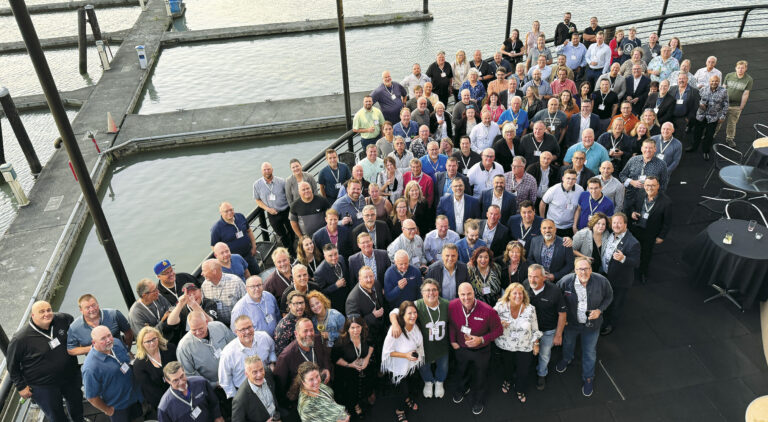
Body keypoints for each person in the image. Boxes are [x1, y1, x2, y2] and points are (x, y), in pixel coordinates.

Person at [8, 301, 83, 422]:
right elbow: (12, 366)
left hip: (70, 376)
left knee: (77, 403)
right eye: (41, 312)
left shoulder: (63, 319)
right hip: (44, 385)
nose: (47, 314)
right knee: (56, 415)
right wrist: (21, 386)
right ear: (33, 315)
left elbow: (75, 329)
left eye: (49, 310)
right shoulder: (20, 339)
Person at [555, 257, 613, 397]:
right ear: (575, 270)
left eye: (586, 268)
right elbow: (557, 297)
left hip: (592, 325)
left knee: (589, 352)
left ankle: (588, 378)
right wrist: (562, 315)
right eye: (580, 269)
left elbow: (609, 297)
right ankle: (567, 358)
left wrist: (599, 310)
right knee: (568, 343)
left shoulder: (601, 281)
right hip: (571, 323)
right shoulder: (566, 281)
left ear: (591, 269)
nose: (583, 272)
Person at [448, 283, 503, 415]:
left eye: (469, 294)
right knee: (462, 371)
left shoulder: (488, 311)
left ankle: (479, 400)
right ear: (458, 295)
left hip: (481, 351)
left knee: (480, 377)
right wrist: (452, 340)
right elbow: (452, 324)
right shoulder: (452, 306)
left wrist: (482, 339)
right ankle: (463, 388)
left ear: (474, 293)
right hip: (461, 348)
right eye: (462, 294)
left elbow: (499, 330)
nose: (466, 298)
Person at [82, 326, 143, 421]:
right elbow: (92, 397)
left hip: (135, 398)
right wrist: (108, 410)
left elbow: (127, 359)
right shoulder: (90, 367)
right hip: (118, 408)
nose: (108, 340)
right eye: (103, 338)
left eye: (109, 335)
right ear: (94, 343)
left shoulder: (117, 342)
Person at [494, 283, 541, 403]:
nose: (518, 296)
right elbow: (490, 322)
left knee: (523, 370)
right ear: (508, 295)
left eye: (520, 293)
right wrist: (499, 323)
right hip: (505, 345)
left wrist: (536, 344)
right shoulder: (500, 307)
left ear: (524, 295)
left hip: (525, 346)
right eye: (514, 293)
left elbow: (535, 329)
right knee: (507, 367)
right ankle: (507, 380)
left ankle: (520, 389)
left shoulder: (530, 309)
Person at [522, 265, 567, 391]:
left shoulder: (555, 291)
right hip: (529, 330)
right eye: (530, 276)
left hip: (548, 330)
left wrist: (558, 335)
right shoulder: (525, 285)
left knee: (544, 354)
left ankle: (542, 374)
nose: (532, 280)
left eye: (536, 277)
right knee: (527, 352)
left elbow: (562, 314)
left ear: (544, 278)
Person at [600, 213, 641, 335]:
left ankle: (611, 325)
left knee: (615, 304)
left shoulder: (633, 242)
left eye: (619, 223)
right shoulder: (609, 234)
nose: (616, 225)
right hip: (606, 274)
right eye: (614, 223)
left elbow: (636, 263)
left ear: (625, 224)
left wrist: (623, 258)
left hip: (620, 281)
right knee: (605, 300)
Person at [219, 315, 277, 399]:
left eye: (249, 327)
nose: (247, 332)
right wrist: (237, 398)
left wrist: (272, 362)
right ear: (236, 332)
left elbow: (272, 349)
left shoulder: (264, 337)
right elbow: (225, 381)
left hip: (267, 384)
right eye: (242, 329)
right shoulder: (228, 353)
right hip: (246, 393)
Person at [628, 176, 671, 284]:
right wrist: (632, 212)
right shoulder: (640, 193)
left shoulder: (666, 202)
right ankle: (631, 269)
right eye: (647, 185)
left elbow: (667, 222)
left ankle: (643, 272)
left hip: (650, 233)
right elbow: (632, 206)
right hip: (636, 229)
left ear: (658, 186)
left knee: (646, 254)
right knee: (632, 250)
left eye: (653, 185)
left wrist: (661, 236)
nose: (650, 188)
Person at [275, 318, 334, 397]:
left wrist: (326, 368)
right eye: (305, 331)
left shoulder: (318, 340)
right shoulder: (285, 357)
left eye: (311, 330)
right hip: (303, 398)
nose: (309, 334)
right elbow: (280, 388)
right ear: (296, 334)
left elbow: (325, 356)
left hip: (323, 391)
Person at [332, 317, 376, 419]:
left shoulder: (366, 336)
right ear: (347, 329)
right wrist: (350, 365)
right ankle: (355, 405)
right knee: (352, 391)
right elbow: (335, 359)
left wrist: (367, 358)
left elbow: (372, 345)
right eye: (352, 328)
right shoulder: (341, 342)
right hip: (348, 372)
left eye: (358, 327)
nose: (356, 330)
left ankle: (367, 395)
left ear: (362, 327)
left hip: (365, 369)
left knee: (367, 385)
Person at [176, 311, 236, 385]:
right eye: (194, 330)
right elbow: (189, 374)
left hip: (234, 375)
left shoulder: (219, 327)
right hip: (212, 387)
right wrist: (213, 384)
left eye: (200, 328)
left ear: (206, 322)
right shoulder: (183, 347)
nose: (198, 332)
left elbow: (235, 346)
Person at [67, 294, 134, 356]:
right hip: (97, 362)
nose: (92, 309)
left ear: (98, 304)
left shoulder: (114, 314)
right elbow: (71, 349)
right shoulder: (74, 327)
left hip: (121, 355)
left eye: (94, 305)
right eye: (87, 308)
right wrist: (92, 348)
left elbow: (128, 332)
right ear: (81, 310)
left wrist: (127, 350)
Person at [158, 361, 224, 422]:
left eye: (182, 376)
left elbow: (213, 403)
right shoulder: (164, 407)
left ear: (184, 371)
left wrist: (218, 417)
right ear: (168, 381)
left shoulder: (201, 382)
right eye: (175, 380)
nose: (181, 382)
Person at [133, 327, 176, 419]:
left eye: (154, 339)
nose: (152, 343)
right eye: (148, 341)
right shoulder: (139, 365)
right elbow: (150, 392)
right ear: (142, 344)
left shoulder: (170, 349)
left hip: (180, 391)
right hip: (162, 402)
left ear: (158, 338)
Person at [212, 201, 261, 276]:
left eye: (231, 210)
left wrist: (254, 246)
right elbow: (214, 247)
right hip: (234, 261)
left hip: (248, 254)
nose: (230, 212)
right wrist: (224, 261)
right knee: (242, 278)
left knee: (257, 273)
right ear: (221, 213)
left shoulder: (240, 216)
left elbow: (249, 231)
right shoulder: (217, 228)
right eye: (226, 211)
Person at [619, 139, 669, 211]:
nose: (648, 150)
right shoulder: (633, 160)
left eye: (650, 148)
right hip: (630, 196)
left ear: (655, 149)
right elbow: (622, 175)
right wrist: (632, 182)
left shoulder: (661, 164)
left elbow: (664, 184)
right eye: (646, 147)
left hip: (649, 200)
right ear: (641, 149)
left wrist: (652, 192)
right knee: (628, 216)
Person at [129, 278, 182, 344]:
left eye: (156, 288)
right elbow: (146, 337)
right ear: (145, 295)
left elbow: (171, 310)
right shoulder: (136, 314)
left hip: (171, 335)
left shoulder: (158, 297)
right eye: (154, 291)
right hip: (154, 344)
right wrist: (162, 321)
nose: (158, 292)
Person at [689, 75, 728, 161]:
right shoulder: (703, 89)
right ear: (709, 81)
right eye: (712, 81)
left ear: (719, 82)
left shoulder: (723, 91)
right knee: (697, 133)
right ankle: (694, 147)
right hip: (701, 115)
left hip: (713, 117)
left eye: (716, 81)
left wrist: (723, 116)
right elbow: (697, 99)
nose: (714, 83)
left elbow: (725, 104)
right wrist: (700, 104)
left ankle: (706, 151)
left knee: (709, 136)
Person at [231, 355, 281, 422]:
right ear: (246, 374)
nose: (259, 375)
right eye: (255, 372)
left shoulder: (268, 373)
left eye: (261, 369)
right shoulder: (240, 399)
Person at [346, 266, 387, 346]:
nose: (369, 280)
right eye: (366, 277)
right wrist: (373, 316)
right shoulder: (352, 299)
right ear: (359, 279)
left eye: (371, 276)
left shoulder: (376, 284)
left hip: (382, 332)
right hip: (368, 339)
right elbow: (354, 324)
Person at [201, 259, 246, 327]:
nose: (202, 274)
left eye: (204, 271)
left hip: (239, 323)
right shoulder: (204, 285)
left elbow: (246, 303)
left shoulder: (236, 282)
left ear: (214, 271)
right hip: (217, 326)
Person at [717, 60, 752, 147]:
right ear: (735, 68)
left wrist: (741, 106)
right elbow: (723, 88)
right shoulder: (729, 75)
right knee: (718, 120)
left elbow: (746, 93)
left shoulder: (749, 80)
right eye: (739, 68)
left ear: (746, 69)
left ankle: (729, 138)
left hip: (736, 106)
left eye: (742, 68)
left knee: (732, 123)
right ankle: (712, 134)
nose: (740, 70)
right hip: (724, 104)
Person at [540, 170, 584, 237]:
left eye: (573, 179)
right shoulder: (553, 190)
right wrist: (543, 220)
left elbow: (579, 208)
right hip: (553, 226)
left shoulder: (580, 190)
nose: (570, 181)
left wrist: (574, 225)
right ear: (563, 178)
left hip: (570, 226)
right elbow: (542, 203)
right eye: (568, 178)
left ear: (576, 180)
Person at [313, 244, 351, 315]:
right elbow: (321, 293)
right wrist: (335, 286)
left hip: (349, 297)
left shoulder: (341, 258)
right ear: (325, 256)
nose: (334, 258)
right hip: (336, 304)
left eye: (335, 254)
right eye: (330, 256)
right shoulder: (319, 272)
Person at [273, 291, 307, 356]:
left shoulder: (306, 316)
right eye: (296, 304)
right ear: (289, 305)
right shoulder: (284, 327)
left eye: (301, 303)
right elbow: (281, 354)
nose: (300, 306)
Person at [668, 73, 700, 140]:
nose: (681, 80)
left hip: (683, 119)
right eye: (680, 79)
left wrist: (688, 118)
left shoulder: (694, 92)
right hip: (670, 117)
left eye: (683, 79)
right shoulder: (672, 89)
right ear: (677, 80)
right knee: (668, 136)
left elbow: (695, 107)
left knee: (678, 138)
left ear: (687, 79)